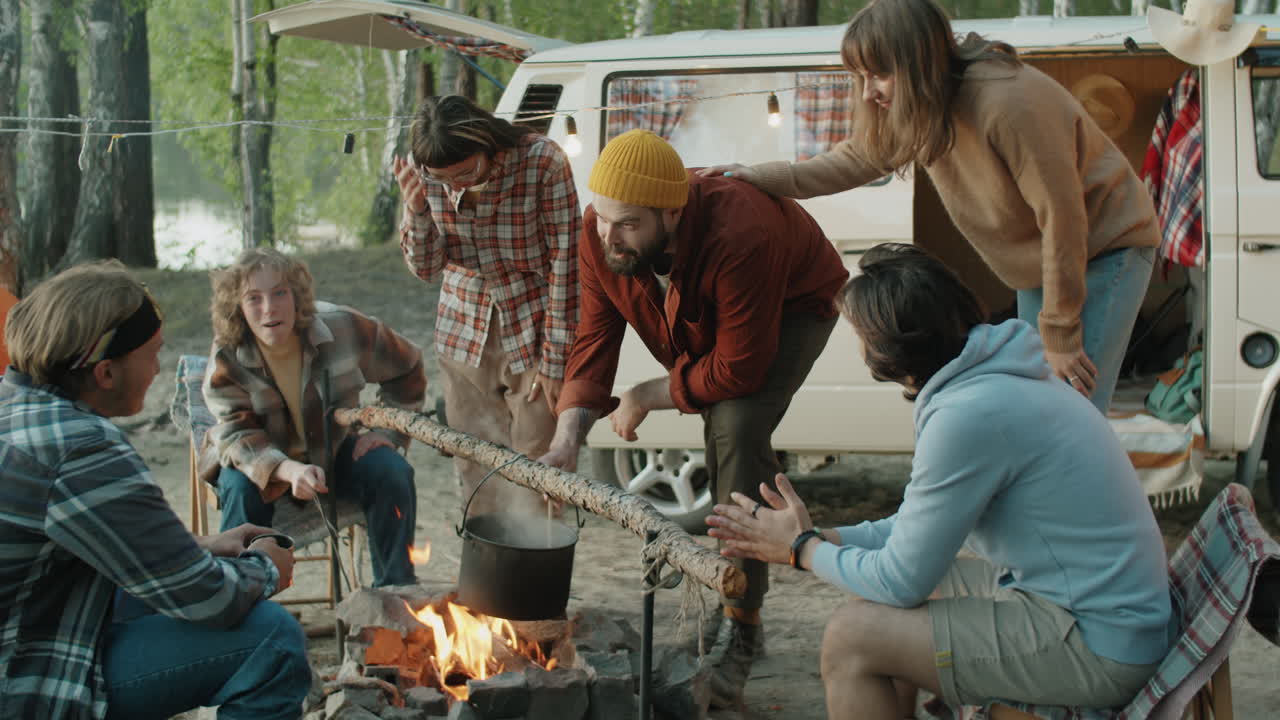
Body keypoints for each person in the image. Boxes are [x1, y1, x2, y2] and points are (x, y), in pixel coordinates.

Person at [707, 244, 1171, 719]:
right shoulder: (998, 375)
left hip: (1098, 643)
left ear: (891, 349)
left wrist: (802, 549)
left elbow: (901, 581)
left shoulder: (970, 414)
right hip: (1106, 615)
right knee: (884, 591)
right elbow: (912, 531)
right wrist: (820, 539)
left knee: (851, 639)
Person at [700, 0, 1158, 413]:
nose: (867, 93)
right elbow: (857, 158)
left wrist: (1061, 333)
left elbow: (1063, 216)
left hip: (1104, 247)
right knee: (1041, 400)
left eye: (879, 74)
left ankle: (1080, 505)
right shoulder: (928, 104)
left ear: (919, 63)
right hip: (1044, 262)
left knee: (1070, 407)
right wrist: (764, 177)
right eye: (860, 76)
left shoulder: (1008, 101)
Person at [538, 128, 849, 707]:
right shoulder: (599, 229)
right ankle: (740, 592)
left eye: (628, 224)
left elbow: (737, 372)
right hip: (719, 330)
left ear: (673, 212)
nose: (610, 235)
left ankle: (742, 623)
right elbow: (594, 339)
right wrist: (565, 440)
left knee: (735, 427)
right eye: (604, 218)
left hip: (795, 304)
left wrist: (647, 393)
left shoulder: (741, 231)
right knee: (724, 418)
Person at [0, 261, 309, 720]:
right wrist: (266, 568)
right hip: (25, 674)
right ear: (106, 373)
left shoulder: (16, 405)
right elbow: (208, 600)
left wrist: (201, 547)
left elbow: (82, 547)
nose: (159, 367)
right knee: (272, 639)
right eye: (153, 353)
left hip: (34, 617)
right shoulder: (83, 449)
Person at [394, 95, 581, 517]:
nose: (456, 186)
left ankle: (540, 573)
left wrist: (556, 362)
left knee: (539, 465)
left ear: (487, 144)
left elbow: (567, 265)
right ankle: (485, 579)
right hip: (464, 331)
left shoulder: (542, 162)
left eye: (466, 173)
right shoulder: (424, 170)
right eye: (444, 179)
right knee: (476, 466)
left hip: (535, 327)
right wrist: (418, 209)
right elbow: (426, 269)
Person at [202, 248, 426, 588]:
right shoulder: (227, 357)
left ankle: (396, 596)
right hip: (260, 468)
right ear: (237, 307)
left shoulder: (344, 327)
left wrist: (388, 432)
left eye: (280, 292)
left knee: (392, 470)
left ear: (297, 295)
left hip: (333, 453)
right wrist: (289, 471)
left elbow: (407, 365)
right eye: (254, 298)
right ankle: (243, 598)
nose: (270, 308)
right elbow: (236, 434)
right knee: (238, 486)